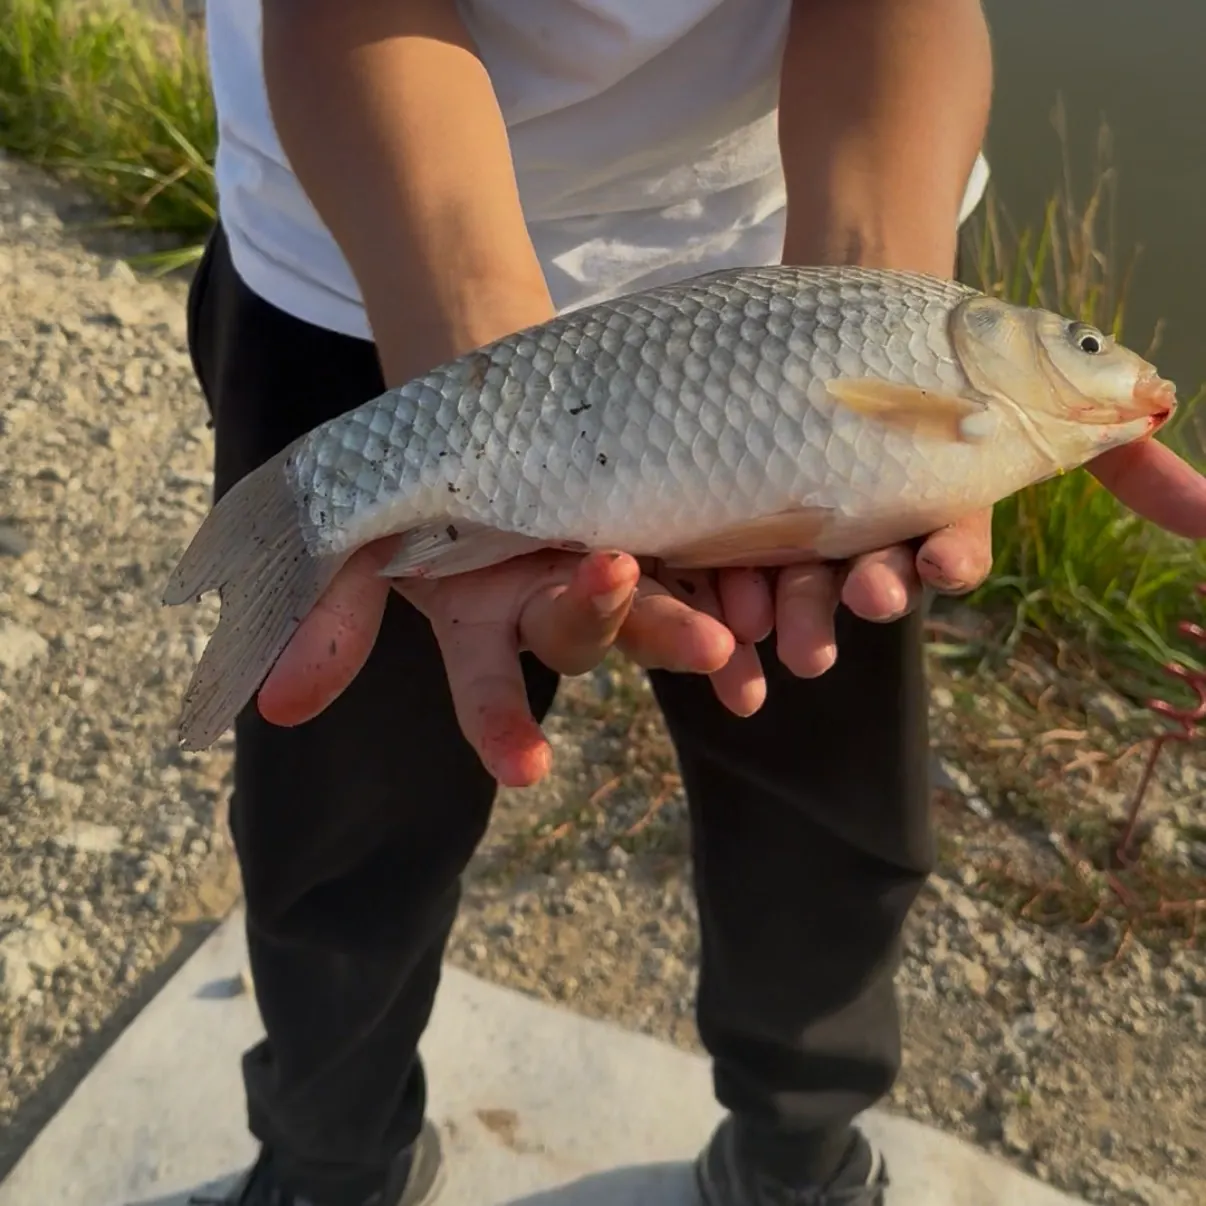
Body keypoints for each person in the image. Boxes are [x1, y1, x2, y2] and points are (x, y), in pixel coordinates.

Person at [187, 3, 1206, 1205]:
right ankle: (332, 1155)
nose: (1108, 362)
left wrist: (872, 267)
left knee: (827, 818)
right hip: (365, 256)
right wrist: (468, 366)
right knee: (341, 818)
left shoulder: (931, 356)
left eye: (1084, 344)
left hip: (798, 262)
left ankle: (796, 1151)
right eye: (1083, 344)